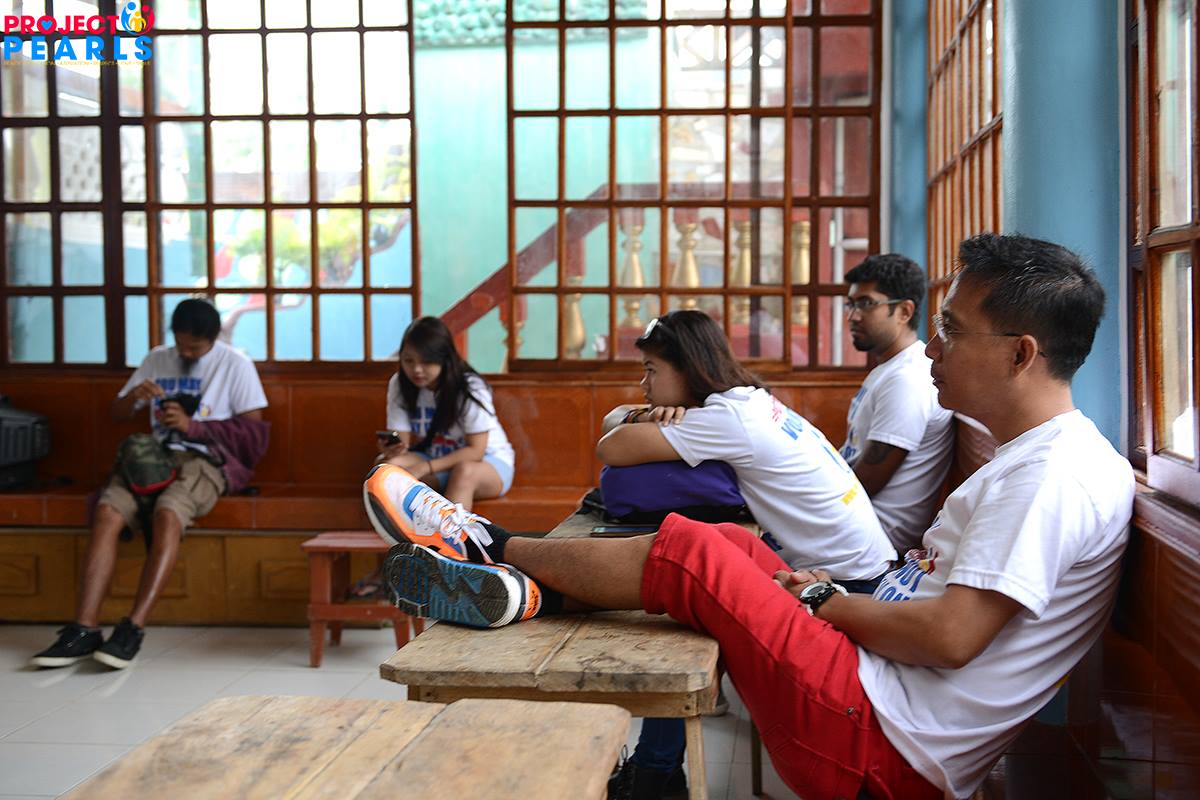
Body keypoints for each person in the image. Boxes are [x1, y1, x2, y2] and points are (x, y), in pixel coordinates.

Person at [366, 233, 1133, 800]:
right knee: (730, 541)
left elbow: (949, 636)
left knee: (696, 555)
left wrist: (823, 599)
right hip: (873, 688)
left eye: (953, 330)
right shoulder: (1036, 457)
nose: (932, 348)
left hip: (878, 738)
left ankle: (485, 543)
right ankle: (525, 592)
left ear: (1021, 354)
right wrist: (819, 595)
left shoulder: (1053, 476)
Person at [590, 309, 896, 798]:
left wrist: (637, 417)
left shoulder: (726, 419)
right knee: (702, 579)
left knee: (688, 602)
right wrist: (643, 412)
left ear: (687, 369)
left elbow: (611, 448)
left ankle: (656, 775)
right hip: (863, 569)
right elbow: (615, 428)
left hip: (841, 585)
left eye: (651, 370)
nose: (643, 384)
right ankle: (657, 770)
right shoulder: (749, 400)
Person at [32, 298, 269, 669]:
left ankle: (133, 628)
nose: (186, 353)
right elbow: (117, 412)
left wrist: (193, 427)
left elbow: (254, 437)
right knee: (108, 512)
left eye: (195, 348)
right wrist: (133, 397)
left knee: (168, 513)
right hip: (151, 459)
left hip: (205, 461)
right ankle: (83, 628)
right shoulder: (158, 359)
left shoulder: (235, 364)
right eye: (181, 344)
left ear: (212, 339)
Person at [840, 253, 955, 551]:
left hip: (868, 543)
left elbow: (866, 484)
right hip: (852, 526)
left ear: (904, 311)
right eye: (851, 304)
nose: (853, 316)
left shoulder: (907, 379)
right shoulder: (889, 369)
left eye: (866, 303)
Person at [373, 316, 514, 510]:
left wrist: (425, 468)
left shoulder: (470, 387)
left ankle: (453, 530)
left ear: (444, 359)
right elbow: (403, 445)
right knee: (388, 467)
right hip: (435, 458)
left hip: (487, 462)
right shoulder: (400, 384)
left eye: (426, 362)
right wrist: (392, 449)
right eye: (408, 360)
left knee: (464, 472)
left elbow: (476, 451)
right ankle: (399, 529)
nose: (416, 369)